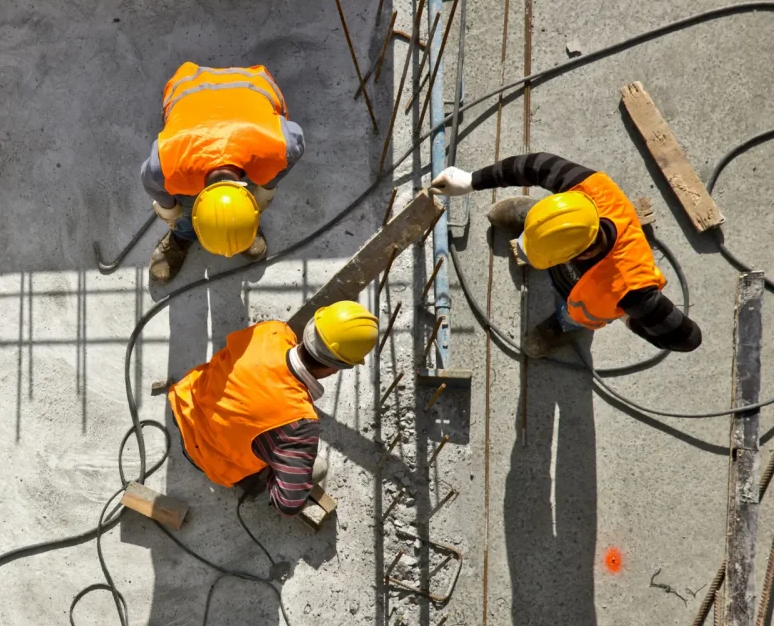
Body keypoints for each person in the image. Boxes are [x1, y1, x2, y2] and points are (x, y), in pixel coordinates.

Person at [430, 153, 702, 357]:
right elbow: (535, 165)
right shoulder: (591, 188)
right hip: (564, 227)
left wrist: (628, 318)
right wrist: (471, 180)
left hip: (582, 304)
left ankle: (565, 325)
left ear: (575, 256)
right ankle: (536, 218)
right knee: (550, 224)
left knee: (573, 314)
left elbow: (688, 339)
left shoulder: (633, 289)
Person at [167, 301, 378, 516]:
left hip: (185, 402)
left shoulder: (272, 331)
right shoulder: (299, 424)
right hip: (207, 456)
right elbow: (288, 504)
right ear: (336, 368)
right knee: (318, 468)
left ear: (310, 327)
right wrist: (281, 462)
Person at [140, 62, 306, 283]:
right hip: (190, 85)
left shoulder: (278, 147)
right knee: (183, 206)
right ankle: (182, 234)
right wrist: (171, 211)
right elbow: (150, 181)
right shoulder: (167, 167)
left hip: (253, 84)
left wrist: (267, 188)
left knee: (258, 176)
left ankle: (238, 226)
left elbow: (295, 140)